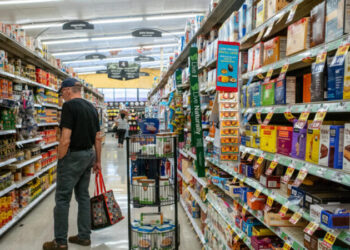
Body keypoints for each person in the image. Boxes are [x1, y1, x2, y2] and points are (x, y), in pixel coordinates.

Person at [43, 78, 102, 250]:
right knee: (83, 196)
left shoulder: (69, 106)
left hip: (73, 156)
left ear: (68, 90)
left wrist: (61, 159)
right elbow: (97, 138)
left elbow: (65, 139)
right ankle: (84, 236)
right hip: (88, 155)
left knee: (62, 198)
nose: (61, 97)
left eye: (61, 93)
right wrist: (98, 160)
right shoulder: (91, 107)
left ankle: (60, 242)